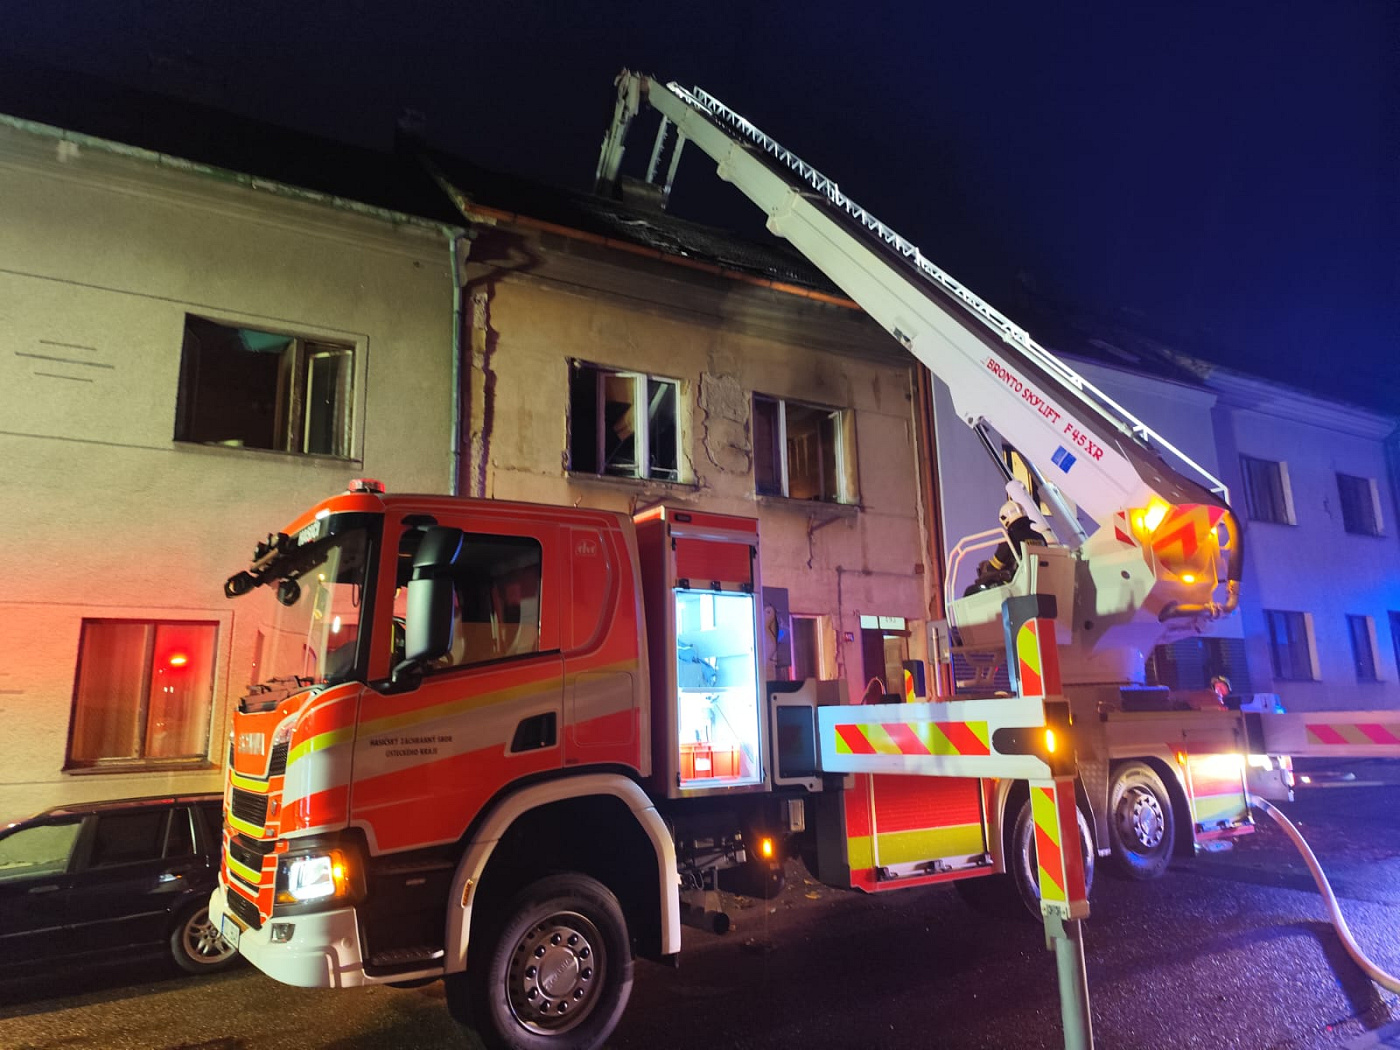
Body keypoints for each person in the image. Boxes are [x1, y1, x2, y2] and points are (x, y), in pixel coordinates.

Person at [965, 498, 1047, 594]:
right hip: (1041, 583)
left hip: (1018, 586)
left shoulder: (1010, 540)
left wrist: (984, 567)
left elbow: (993, 568)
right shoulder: (1040, 537)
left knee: (971, 591)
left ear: (1005, 519)